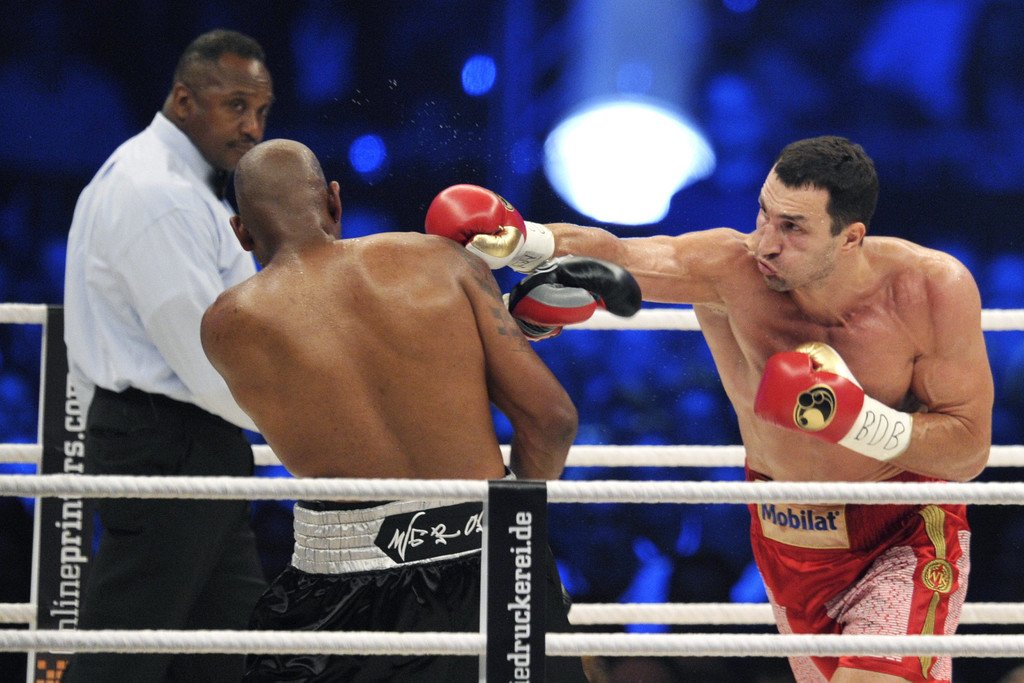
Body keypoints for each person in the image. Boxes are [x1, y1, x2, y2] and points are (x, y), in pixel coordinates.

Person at [427, 136, 994, 683]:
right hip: (785, 537)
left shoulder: (928, 290)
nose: (765, 242)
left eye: (793, 228)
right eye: (764, 213)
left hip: (901, 534)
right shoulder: (731, 270)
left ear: (850, 238)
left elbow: (967, 450)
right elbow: (618, 256)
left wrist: (855, 420)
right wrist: (524, 241)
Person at [201, 139, 639, 681]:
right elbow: (553, 420)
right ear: (334, 201)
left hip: (341, 589)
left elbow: (328, 379)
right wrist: (513, 528)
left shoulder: (227, 324)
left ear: (241, 232)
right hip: (492, 559)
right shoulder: (440, 260)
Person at [62, 29, 274, 682]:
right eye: (236, 105)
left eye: (261, 110)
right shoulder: (157, 193)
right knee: (125, 653)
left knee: (227, 653)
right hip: (168, 439)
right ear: (184, 101)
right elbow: (208, 357)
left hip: (185, 439)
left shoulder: (179, 186)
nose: (252, 127)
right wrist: (303, 427)